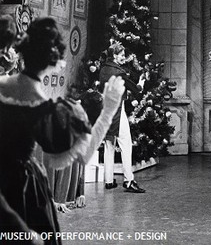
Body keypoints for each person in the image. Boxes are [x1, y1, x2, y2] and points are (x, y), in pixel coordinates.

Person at [0, 17, 125, 243]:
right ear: (55, 61)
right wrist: (109, 110)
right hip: (22, 192)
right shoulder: (43, 108)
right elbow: (84, 155)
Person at [99, 42, 146, 193]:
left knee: (109, 144)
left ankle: (108, 181)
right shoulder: (118, 72)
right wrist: (141, 83)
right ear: (114, 55)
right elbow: (137, 90)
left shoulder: (103, 69)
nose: (124, 58)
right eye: (121, 55)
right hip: (118, 110)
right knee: (126, 144)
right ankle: (129, 180)